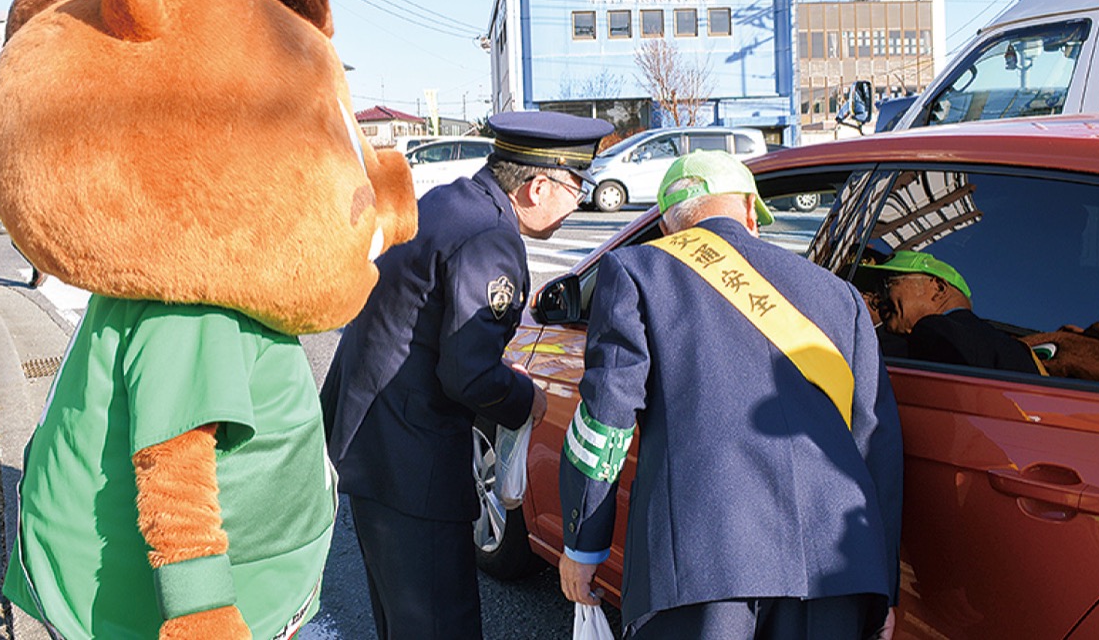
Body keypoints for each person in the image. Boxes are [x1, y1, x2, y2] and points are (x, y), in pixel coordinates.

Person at [558, 150, 903, 640]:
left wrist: (583, 545)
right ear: (749, 212)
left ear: (666, 226)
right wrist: (882, 585)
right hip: (838, 573)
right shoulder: (838, 295)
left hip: (704, 569)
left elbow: (605, 420)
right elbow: (876, 445)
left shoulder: (636, 271)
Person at [320, 109, 612, 640]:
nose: (581, 202)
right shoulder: (490, 239)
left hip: (373, 445)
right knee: (439, 625)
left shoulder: (447, 203)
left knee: (403, 621)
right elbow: (470, 374)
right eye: (578, 186)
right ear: (538, 187)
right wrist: (526, 398)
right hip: (415, 462)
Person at [867, 250, 1040, 374]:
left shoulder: (935, 333)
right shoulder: (1011, 349)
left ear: (938, 288)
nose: (879, 301)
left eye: (887, 285)